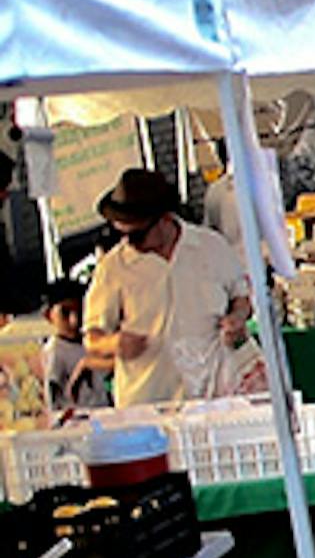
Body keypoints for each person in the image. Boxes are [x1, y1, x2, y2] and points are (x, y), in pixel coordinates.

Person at [84, 168, 253, 404]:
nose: (129, 243)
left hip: (212, 394)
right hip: (147, 400)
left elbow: (241, 296)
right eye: (122, 234)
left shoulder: (210, 246)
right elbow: (92, 337)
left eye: (137, 235)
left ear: (164, 219)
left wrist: (237, 317)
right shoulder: (113, 268)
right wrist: (114, 343)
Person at [43, 278, 113, 409]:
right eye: (65, 312)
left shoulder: (95, 342)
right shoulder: (54, 352)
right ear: (48, 315)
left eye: (80, 311)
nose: (74, 320)